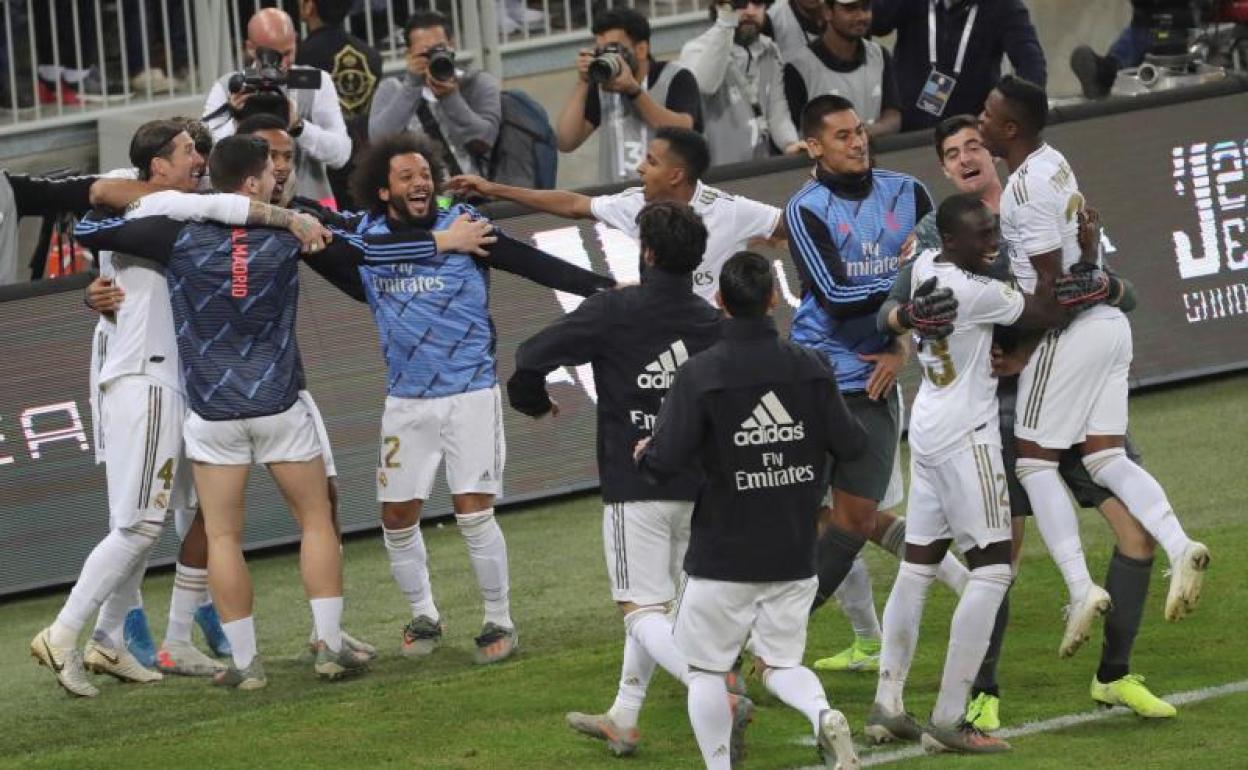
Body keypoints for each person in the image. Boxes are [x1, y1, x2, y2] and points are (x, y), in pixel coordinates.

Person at [30, 128, 331, 696]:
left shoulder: (172, 211)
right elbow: (178, 207)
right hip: (145, 376)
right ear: (156, 167)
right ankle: (64, 632)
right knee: (140, 522)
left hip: (184, 381)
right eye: (188, 152)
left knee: (179, 516)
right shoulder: (150, 198)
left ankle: (115, 640)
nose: (198, 159)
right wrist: (288, 219)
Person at [303, 132, 615, 665]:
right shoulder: (367, 238)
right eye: (406, 176)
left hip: (470, 393)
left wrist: (604, 290)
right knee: (397, 517)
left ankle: (499, 618)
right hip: (405, 401)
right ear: (383, 191)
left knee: (473, 512)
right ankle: (424, 612)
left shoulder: (465, 226)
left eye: (425, 172)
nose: (421, 182)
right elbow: (311, 222)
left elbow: (533, 263)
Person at [906, 113, 1170, 729]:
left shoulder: (1043, 200)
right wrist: (903, 320)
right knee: (1000, 558)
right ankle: (983, 692)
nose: (967, 157)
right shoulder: (935, 232)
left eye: (976, 144)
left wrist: (1099, 288)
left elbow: (1116, 289)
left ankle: (1114, 675)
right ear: (943, 169)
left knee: (1137, 535)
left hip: (1072, 398)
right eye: (953, 151)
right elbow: (900, 306)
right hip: (997, 413)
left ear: (995, 153)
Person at [978, 75, 1209, 660]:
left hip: (1072, 331)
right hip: (1110, 326)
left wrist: (1023, 344)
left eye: (987, 114)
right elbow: (1083, 247)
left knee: (1032, 462)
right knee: (1105, 455)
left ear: (1010, 128)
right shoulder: (1055, 160)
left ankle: (1081, 589)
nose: (980, 121)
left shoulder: (1023, 191)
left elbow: (1051, 289)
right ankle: (1180, 543)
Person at [867, 193, 1085, 754]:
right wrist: (1073, 252)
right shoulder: (978, 289)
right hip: (969, 437)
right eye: (983, 235)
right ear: (953, 242)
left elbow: (885, 311)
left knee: (917, 569)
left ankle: (888, 704)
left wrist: (898, 316)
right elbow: (1050, 313)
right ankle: (950, 716)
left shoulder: (924, 267)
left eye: (993, 231)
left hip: (930, 429)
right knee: (991, 572)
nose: (992, 243)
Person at [508, 201, 723, 757]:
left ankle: (714, 691)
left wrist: (532, 401)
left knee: (640, 608)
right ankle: (624, 716)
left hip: (637, 482)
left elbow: (530, 355)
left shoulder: (614, 310)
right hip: (701, 484)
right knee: (663, 605)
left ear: (646, 252)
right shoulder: (709, 320)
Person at [636, 251, 864, 770]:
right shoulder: (811, 365)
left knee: (705, 672)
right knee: (781, 664)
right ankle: (821, 712)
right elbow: (851, 444)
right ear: (771, 299)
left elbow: (666, 461)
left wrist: (646, 454)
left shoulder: (700, 374)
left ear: (720, 302)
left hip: (723, 555)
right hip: (794, 550)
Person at [784, 96, 940, 634]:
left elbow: (940, 276)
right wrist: (903, 303)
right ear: (814, 146)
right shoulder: (805, 208)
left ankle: (781, 634)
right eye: (843, 136)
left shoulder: (910, 192)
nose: (857, 142)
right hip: (815, 380)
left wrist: (899, 343)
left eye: (859, 132)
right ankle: (728, 636)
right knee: (786, 517)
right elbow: (834, 295)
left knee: (852, 522)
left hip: (875, 383)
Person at [448, 127, 783, 306]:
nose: (640, 168)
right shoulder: (635, 203)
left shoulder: (732, 210)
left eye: (651, 161)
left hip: (714, 346)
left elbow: (796, 226)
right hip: (663, 344)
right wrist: (494, 188)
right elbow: (572, 204)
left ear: (676, 175)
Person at [201, 7, 352, 207]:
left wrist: (299, 127)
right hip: (249, 209)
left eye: (288, 52)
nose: (283, 63)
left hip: (312, 205)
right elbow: (204, 154)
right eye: (274, 55)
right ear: (250, 48)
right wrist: (237, 123)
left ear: (296, 39)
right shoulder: (229, 86)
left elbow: (341, 155)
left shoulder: (315, 81)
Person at [554, 8, 703, 185]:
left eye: (613, 49)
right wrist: (583, 82)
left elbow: (683, 131)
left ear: (641, 49)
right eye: (600, 51)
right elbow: (565, 141)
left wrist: (635, 92)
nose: (607, 57)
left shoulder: (675, 76)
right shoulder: (602, 84)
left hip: (667, 198)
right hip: (617, 200)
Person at [869, 0, 1046, 132]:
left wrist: (1019, 112)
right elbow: (871, 21)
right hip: (909, 133)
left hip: (971, 132)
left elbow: (1030, 59)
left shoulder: (1003, 6)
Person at [368, 11, 501, 180]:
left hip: (472, 191)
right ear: (409, 55)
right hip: (418, 195)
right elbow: (378, 141)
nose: (435, 58)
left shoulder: (477, 83)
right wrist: (412, 86)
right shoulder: (392, 89)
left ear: (452, 45)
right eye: (425, 54)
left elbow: (485, 139)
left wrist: (450, 97)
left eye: (440, 49)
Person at [680, 1, 804, 166]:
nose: (750, 11)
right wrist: (725, 21)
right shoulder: (696, 49)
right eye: (741, 3)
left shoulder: (770, 50)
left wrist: (790, 144)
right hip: (717, 172)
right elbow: (706, 85)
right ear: (720, 6)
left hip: (759, 168)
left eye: (758, 2)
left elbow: (777, 112)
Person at [295, 0, 384, 209]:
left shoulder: (304, 57)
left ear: (309, 7)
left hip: (323, 170)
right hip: (366, 159)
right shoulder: (371, 56)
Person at [783, 0, 902, 138]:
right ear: (828, 12)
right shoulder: (798, 67)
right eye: (850, 9)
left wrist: (864, 133)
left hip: (873, 158)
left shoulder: (880, 56)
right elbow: (795, 134)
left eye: (865, 7)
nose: (861, 16)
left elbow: (893, 117)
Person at [1069, 0, 1196, 99]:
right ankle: (1104, 73)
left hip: (1178, 33)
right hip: (1144, 28)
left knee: (1137, 43)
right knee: (1128, 47)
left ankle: (1106, 74)